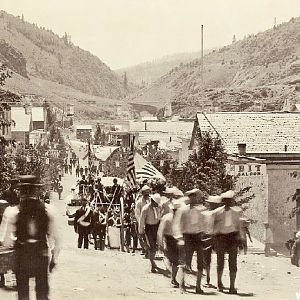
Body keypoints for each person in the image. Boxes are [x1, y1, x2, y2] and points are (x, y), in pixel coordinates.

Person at [13, 175, 60, 300]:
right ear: (36, 190)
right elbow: (57, 238)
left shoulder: (13, 211)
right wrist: (54, 259)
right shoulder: (48, 210)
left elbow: (5, 239)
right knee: (42, 291)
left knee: (22, 292)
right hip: (41, 253)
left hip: (22, 254)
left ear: (21, 191)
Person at [173, 188, 207, 294]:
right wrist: (179, 238)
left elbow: (205, 223)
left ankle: (198, 286)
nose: (193, 198)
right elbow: (177, 225)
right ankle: (181, 285)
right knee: (184, 262)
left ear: (198, 197)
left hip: (198, 237)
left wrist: (205, 234)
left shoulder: (202, 210)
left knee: (200, 262)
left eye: (195, 196)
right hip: (187, 237)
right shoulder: (183, 210)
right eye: (191, 196)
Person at [212, 190, 242, 294]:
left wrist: (240, 239)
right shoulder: (217, 212)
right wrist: (214, 240)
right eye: (227, 200)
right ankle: (219, 283)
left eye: (230, 200)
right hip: (221, 238)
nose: (229, 202)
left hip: (232, 238)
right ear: (224, 201)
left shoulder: (236, 213)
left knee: (233, 263)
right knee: (220, 262)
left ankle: (232, 286)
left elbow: (238, 227)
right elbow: (213, 227)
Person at [158, 198, 184, 288]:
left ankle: (173, 278)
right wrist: (160, 243)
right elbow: (160, 231)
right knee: (170, 258)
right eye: (174, 210)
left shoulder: (181, 218)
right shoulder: (166, 218)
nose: (176, 211)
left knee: (175, 261)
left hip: (177, 239)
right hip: (168, 239)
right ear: (172, 210)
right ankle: (172, 275)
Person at [202, 195, 223, 287]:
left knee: (211, 259)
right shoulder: (206, 213)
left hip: (213, 236)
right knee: (209, 259)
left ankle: (211, 279)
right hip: (211, 236)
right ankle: (211, 279)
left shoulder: (205, 213)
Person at [139, 193, 162, 273]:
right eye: (155, 202)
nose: (156, 204)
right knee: (151, 246)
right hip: (148, 228)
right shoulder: (145, 209)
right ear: (152, 201)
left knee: (155, 246)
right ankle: (152, 264)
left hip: (156, 228)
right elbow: (141, 221)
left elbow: (160, 217)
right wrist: (141, 232)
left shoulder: (159, 207)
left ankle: (152, 261)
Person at [135, 185, 151, 255]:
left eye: (148, 192)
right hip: (141, 222)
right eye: (145, 193)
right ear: (142, 193)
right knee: (142, 237)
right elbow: (137, 214)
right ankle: (145, 250)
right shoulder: (139, 202)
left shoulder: (151, 201)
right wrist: (141, 224)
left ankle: (149, 250)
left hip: (149, 222)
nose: (147, 194)